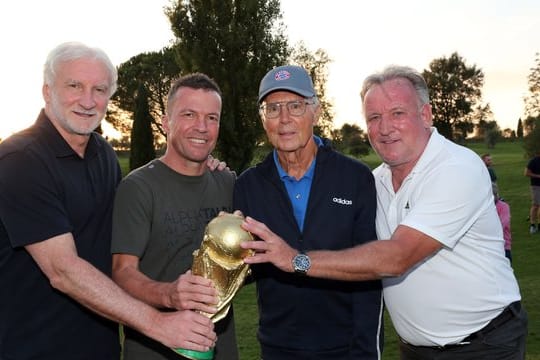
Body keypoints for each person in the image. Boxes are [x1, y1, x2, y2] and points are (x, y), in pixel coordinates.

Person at [240, 65, 528, 359]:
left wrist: (296, 260)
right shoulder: (374, 180)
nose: (385, 127)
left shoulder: (456, 168)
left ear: (426, 115)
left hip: (484, 345)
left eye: (397, 113)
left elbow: (397, 256)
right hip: (415, 349)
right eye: (374, 118)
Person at [0, 42, 216, 359]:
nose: (88, 101)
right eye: (74, 86)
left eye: (100, 89)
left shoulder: (103, 155)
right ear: (48, 91)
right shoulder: (20, 160)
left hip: (98, 346)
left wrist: (197, 162)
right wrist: (157, 323)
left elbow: (127, 228)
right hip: (31, 346)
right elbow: (64, 270)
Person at [233, 65, 383, 359]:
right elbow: (245, 266)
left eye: (295, 106)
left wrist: (366, 351)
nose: (285, 119)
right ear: (264, 120)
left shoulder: (355, 177)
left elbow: (371, 271)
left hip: (345, 348)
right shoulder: (248, 185)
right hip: (278, 348)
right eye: (273, 109)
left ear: (316, 111)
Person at [111, 73, 238, 359]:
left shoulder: (228, 182)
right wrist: (169, 294)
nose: (202, 127)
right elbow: (122, 272)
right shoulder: (138, 187)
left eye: (212, 117)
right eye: (189, 114)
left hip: (220, 348)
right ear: (166, 122)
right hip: (155, 350)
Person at [493, 182, 513, 263]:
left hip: (503, 247)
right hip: (487, 247)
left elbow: (502, 225)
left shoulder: (503, 207)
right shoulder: (484, 208)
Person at [524, 151, 540, 234]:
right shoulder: (534, 161)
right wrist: (538, 176)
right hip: (536, 186)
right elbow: (526, 173)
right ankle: (532, 225)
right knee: (536, 205)